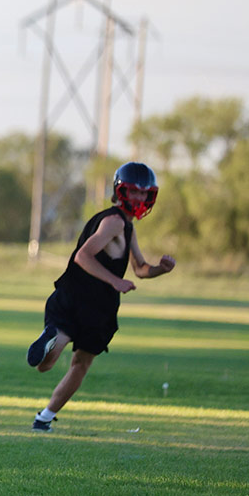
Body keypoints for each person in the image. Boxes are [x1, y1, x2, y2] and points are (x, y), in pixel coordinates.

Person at [26, 162, 175, 432]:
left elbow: (140, 269)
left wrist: (160, 270)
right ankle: (44, 413)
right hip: (87, 302)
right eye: (134, 192)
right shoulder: (114, 221)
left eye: (144, 194)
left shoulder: (126, 227)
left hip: (84, 302)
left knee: (51, 366)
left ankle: (45, 414)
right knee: (75, 365)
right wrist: (115, 281)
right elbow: (83, 255)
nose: (140, 199)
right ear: (120, 191)